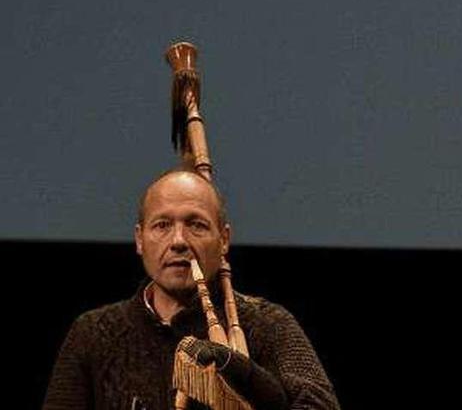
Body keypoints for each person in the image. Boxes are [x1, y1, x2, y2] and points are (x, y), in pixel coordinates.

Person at [43, 169, 340, 410]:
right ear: (139, 240)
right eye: (162, 225)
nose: (179, 241)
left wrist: (246, 376)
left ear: (224, 240)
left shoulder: (266, 324)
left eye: (196, 225)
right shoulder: (94, 333)